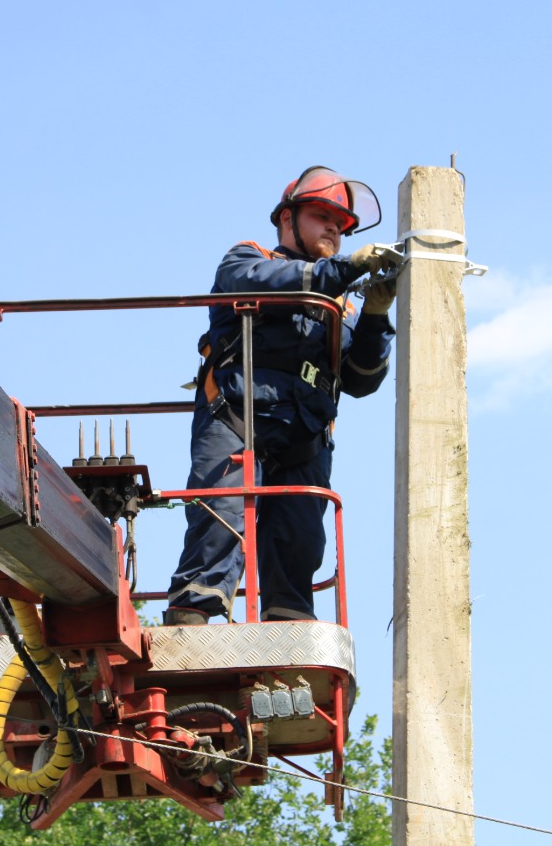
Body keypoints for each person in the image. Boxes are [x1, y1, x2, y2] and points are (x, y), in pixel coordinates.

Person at [164, 166, 398, 625]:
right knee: (220, 521)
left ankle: (287, 638)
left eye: (341, 224)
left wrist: (373, 314)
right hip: (234, 418)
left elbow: (361, 379)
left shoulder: (341, 305)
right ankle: (191, 622)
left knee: (300, 543)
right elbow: (266, 282)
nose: (334, 228)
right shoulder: (247, 259)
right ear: (286, 219)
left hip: (304, 437)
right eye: (321, 215)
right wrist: (344, 270)